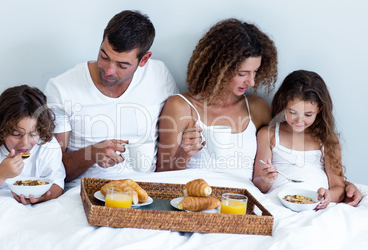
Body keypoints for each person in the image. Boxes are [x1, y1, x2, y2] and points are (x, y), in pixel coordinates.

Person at [45, 10, 178, 182]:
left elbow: (171, 150)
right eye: (104, 56)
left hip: (145, 193)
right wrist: (91, 154)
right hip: (84, 194)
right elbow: (52, 171)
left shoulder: (159, 75)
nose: (108, 71)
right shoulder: (61, 88)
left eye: (122, 65)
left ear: (144, 60)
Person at [156, 18, 277, 181]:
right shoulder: (180, 107)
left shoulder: (258, 109)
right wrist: (184, 153)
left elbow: (279, 162)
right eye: (242, 74)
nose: (251, 82)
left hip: (241, 202)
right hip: (196, 201)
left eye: (255, 72)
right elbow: (161, 177)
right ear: (220, 67)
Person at [253, 70, 361, 208]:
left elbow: (338, 187)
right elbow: (259, 184)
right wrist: (265, 179)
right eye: (292, 112)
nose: (299, 120)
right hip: (278, 201)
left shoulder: (327, 139)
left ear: (320, 110)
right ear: (283, 105)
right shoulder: (268, 135)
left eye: (308, 114)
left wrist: (329, 196)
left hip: (316, 203)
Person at [0, 85, 65, 209]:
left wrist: (42, 197)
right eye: (16, 134)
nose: (25, 143)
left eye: (33, 134)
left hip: (37, 210)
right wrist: (0, 174)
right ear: (1, 129)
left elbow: (57, 186)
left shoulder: (48, 146)